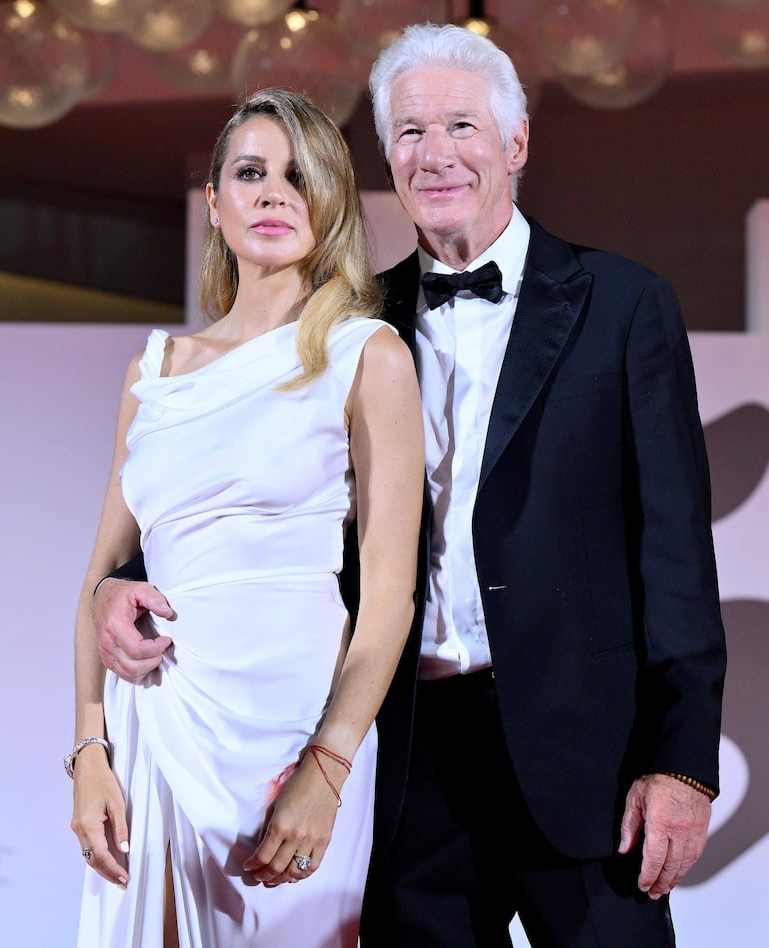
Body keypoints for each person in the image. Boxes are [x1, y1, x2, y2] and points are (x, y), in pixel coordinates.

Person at [90, 23, 727, 948]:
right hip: (402, 757)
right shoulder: (345, 325)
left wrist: (682, 764)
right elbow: (224, 490)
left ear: (515, 143)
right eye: (410, 132)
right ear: (386, 155)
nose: (436, 156)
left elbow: (675, 552)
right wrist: (118, 581)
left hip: (585, 760)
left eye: (462, 126)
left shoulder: (624, 305)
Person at [67, 87, 424, 948]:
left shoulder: (366, 355)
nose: (273, 194)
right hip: (153, 723)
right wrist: (88, 752)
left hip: (291, 738)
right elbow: (102, 576)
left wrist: (328, 769)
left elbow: (388, 599)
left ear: (332, 205)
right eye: (251, 173)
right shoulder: (156, 367)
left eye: (300, 177)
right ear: (216, 205)